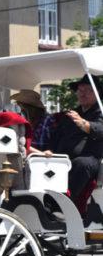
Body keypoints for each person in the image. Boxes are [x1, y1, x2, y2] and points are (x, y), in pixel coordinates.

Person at [44, 75, 103, 203]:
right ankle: (43, 200)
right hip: (63, 158)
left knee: (82, 163)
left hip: (90, 158)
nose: (82, 94)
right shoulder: (71, 114)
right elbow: (56, 136)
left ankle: (62, 203)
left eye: (87, 90)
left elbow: (100, 129)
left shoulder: (100, 112)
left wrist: (83, 123)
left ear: (97, 92)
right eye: (80, 90)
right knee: (40, 161)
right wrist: (49, 150)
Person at [10, 89, 54, 154]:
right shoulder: (27, 120)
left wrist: (42, 154)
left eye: (20, 107)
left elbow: (39, 145)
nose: (19, 111)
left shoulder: (46, 120)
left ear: (28, 108)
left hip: (42, 161)